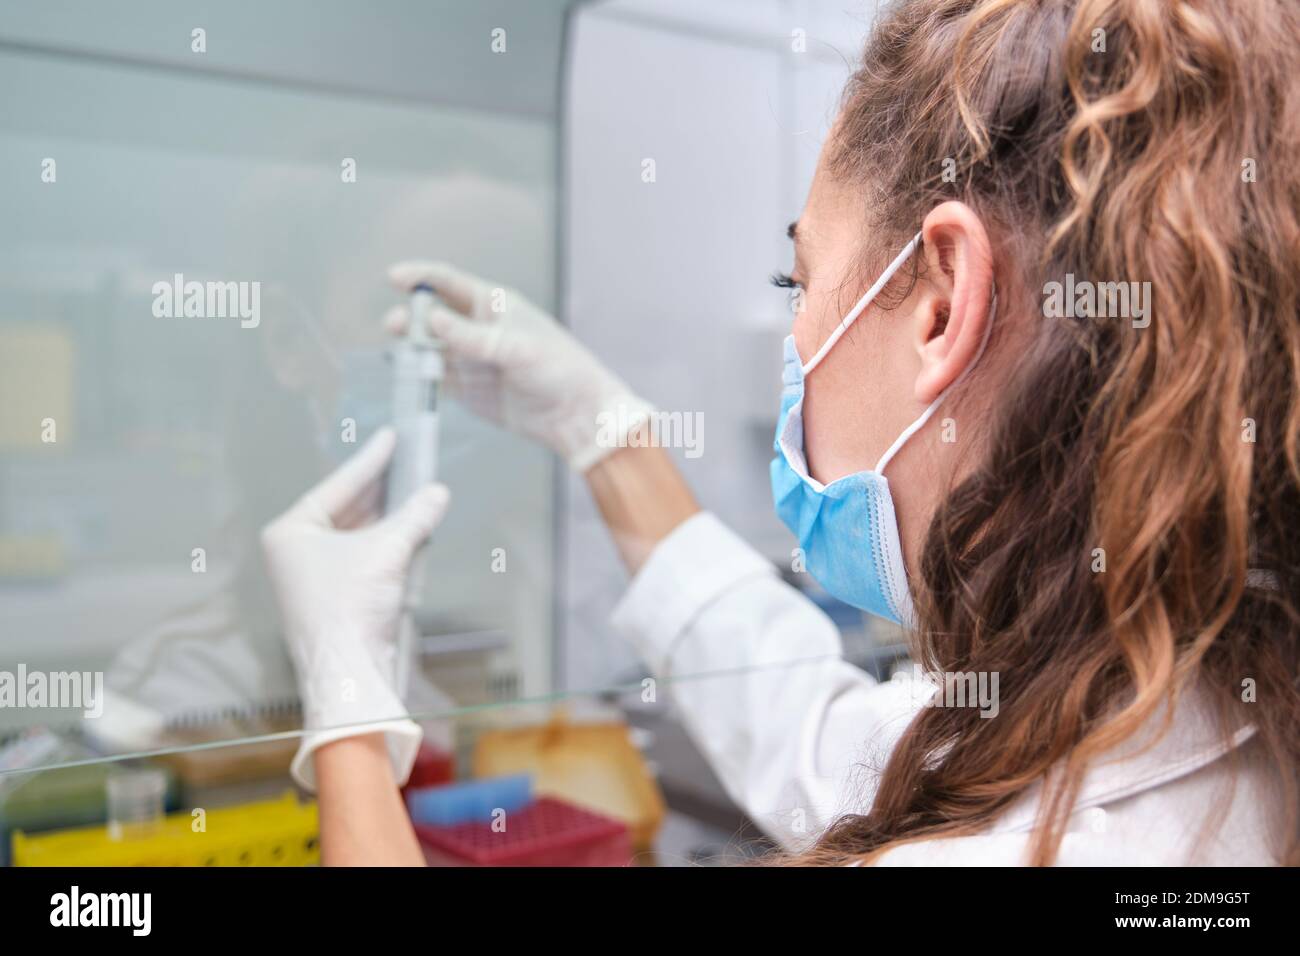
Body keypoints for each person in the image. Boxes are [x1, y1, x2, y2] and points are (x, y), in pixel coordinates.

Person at [260, 0, 1299, 866]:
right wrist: (606, 434)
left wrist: (348, 713)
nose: (795, 332)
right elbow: (833, 745)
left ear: (939, 301)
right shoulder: (1204, 711)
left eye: (794, 280)